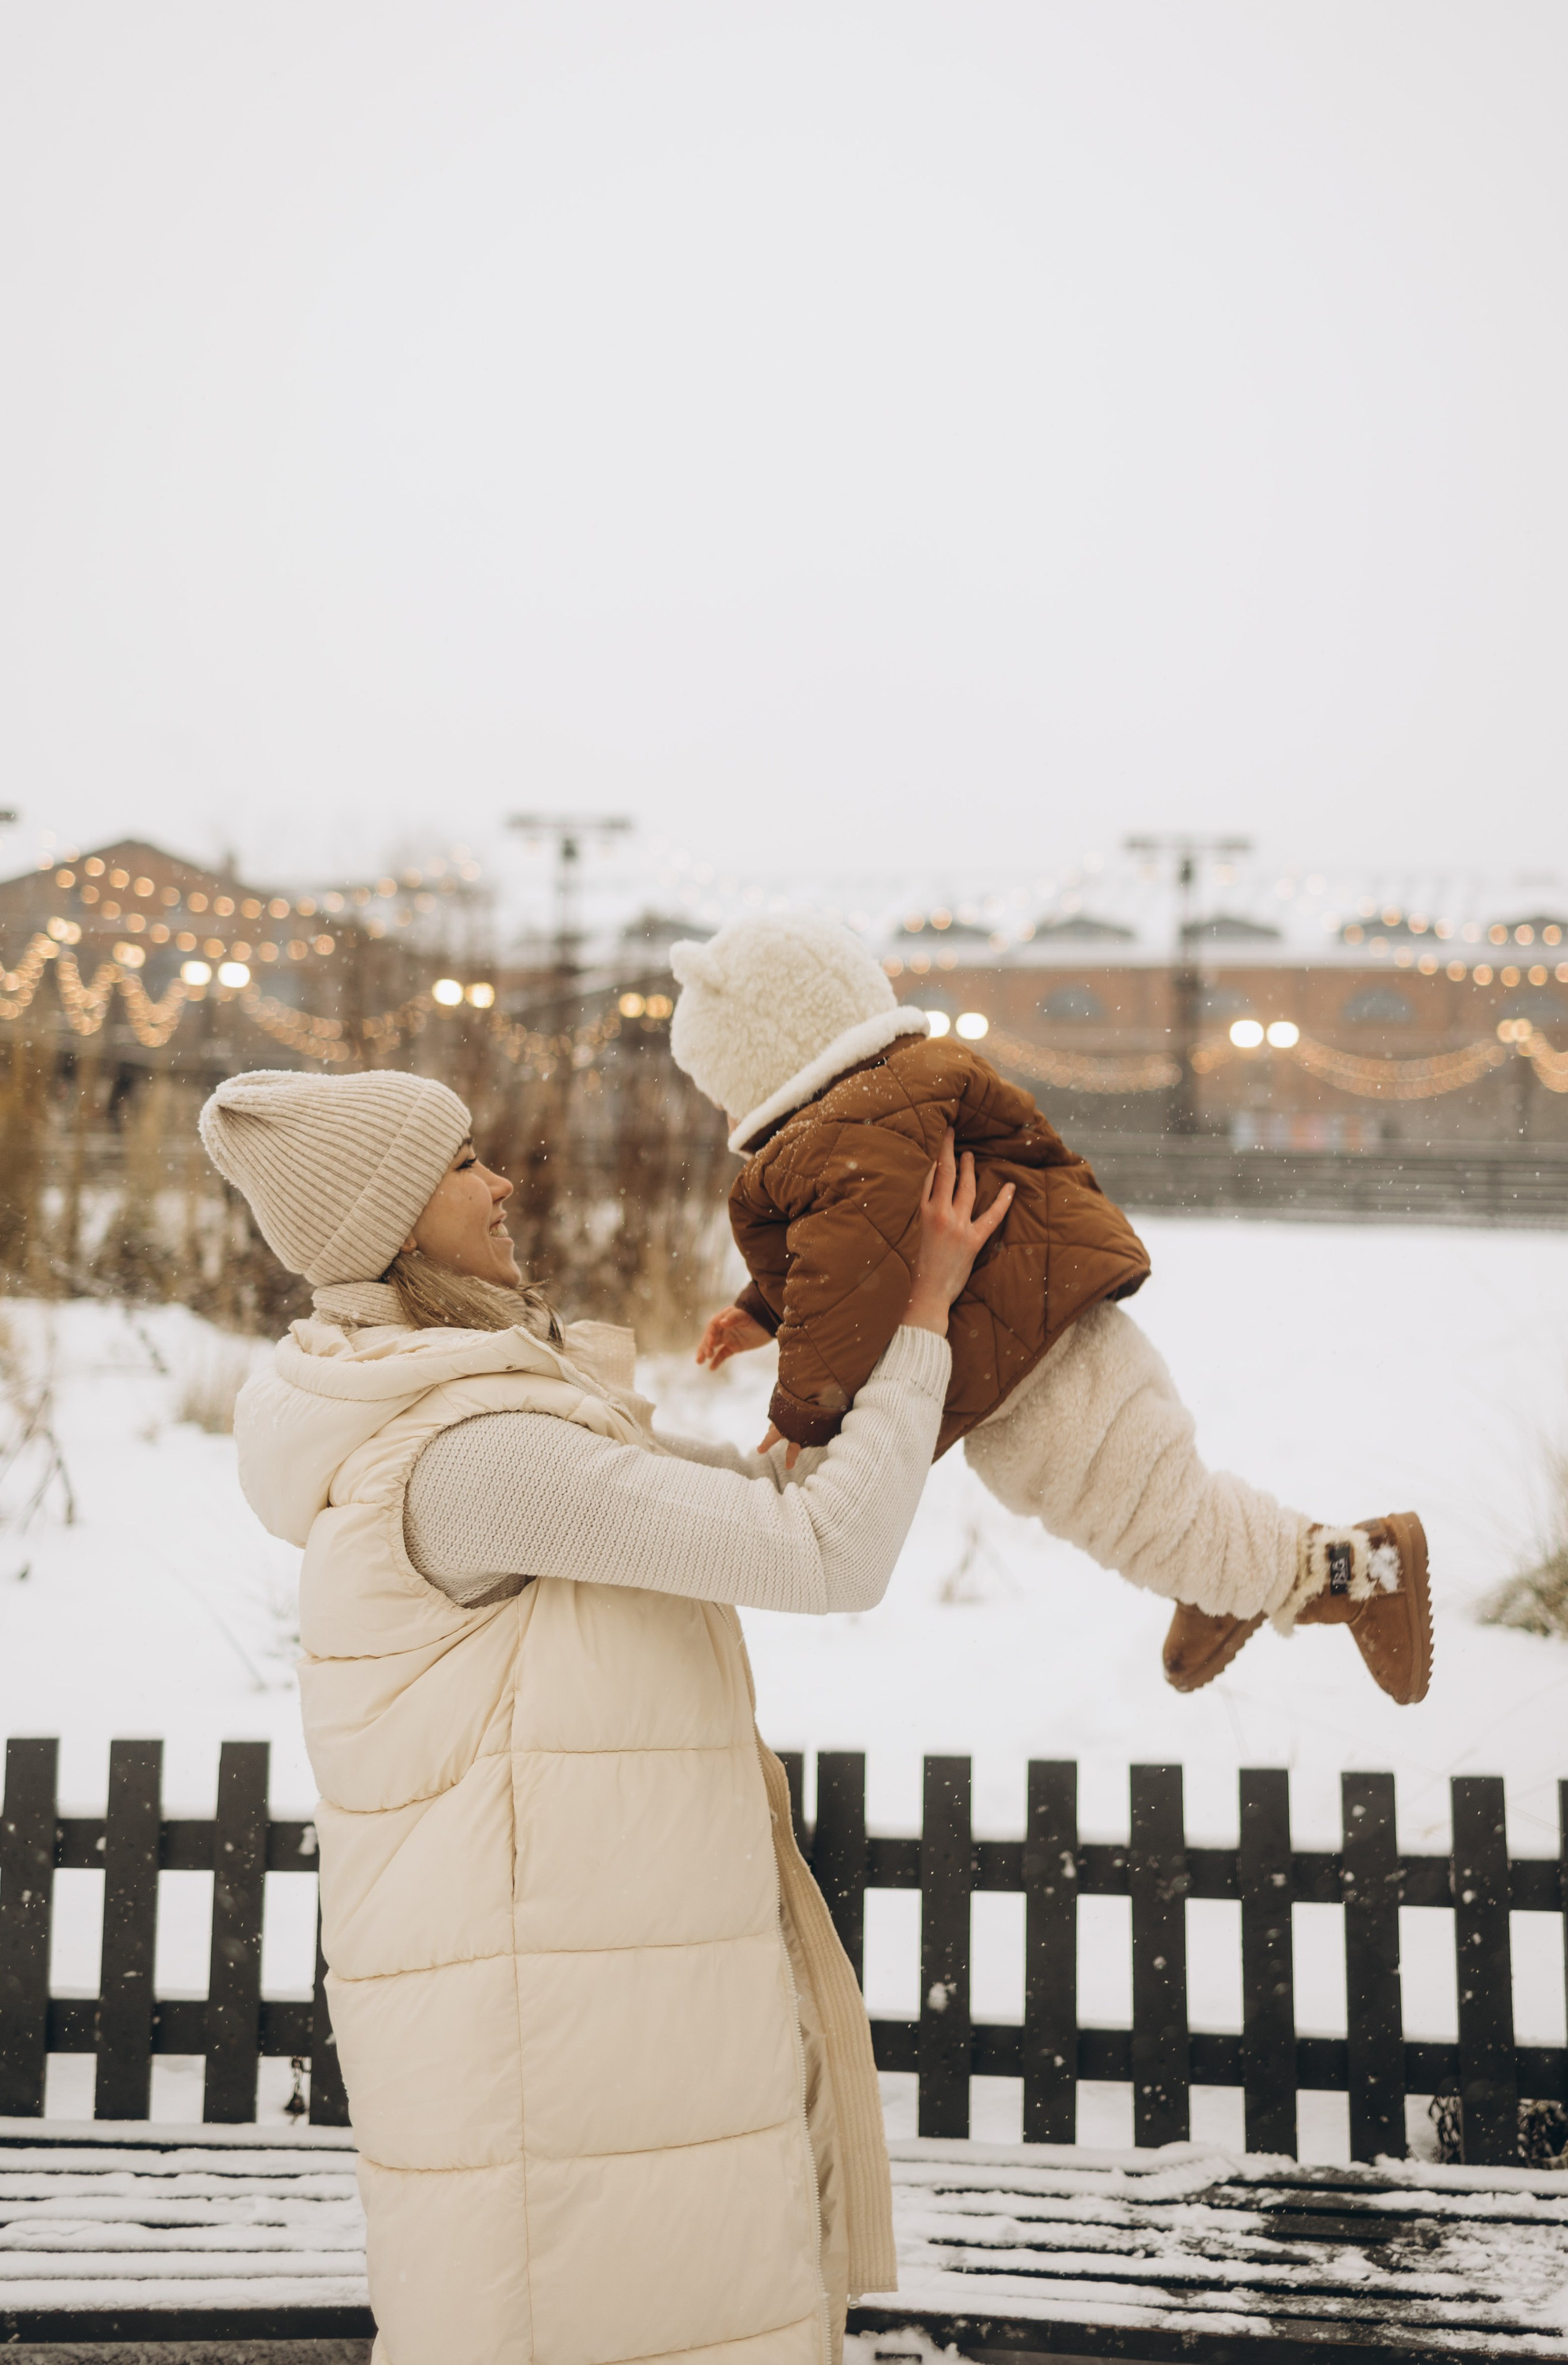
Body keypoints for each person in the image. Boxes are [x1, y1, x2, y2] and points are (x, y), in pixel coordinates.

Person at [199, 1063, 1010, 2365]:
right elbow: (819, 1552)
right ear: (398, 1216)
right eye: (464, 1162)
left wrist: (836, 1308)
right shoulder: (477, 1456)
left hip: (581, 2027)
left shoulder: (470, 1414)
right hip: (554, 2063)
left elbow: (757, 1500)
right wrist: (921, 1312)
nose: (501, 1181)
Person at [668, 910, 1432, 1706]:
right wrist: (764, 1308)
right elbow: (859, 1247)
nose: (725, 1114)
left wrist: (805, 1408)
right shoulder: (888, 1103)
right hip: (1036, 1339)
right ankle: (1217, 1586)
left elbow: (849, 1267)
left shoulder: (847, 1132)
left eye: (722, 1089)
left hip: (1041, 1361)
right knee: (1138, 1505)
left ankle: (1357, 1571)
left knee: (1152, 1514)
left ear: (771, 1061)